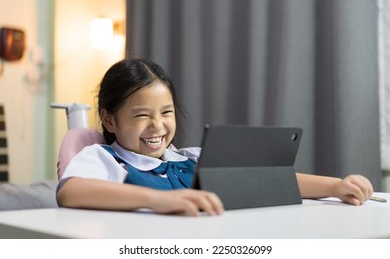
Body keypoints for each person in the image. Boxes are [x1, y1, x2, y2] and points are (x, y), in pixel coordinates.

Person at [56, 58, 374, 216]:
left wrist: (334, 186)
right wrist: (158, 199)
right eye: (141, 115)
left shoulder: (192, 157)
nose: (157, 126)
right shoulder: (103, 159)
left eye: (166, 113)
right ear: (109, 119)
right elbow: (70, 192)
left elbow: (266, 179)